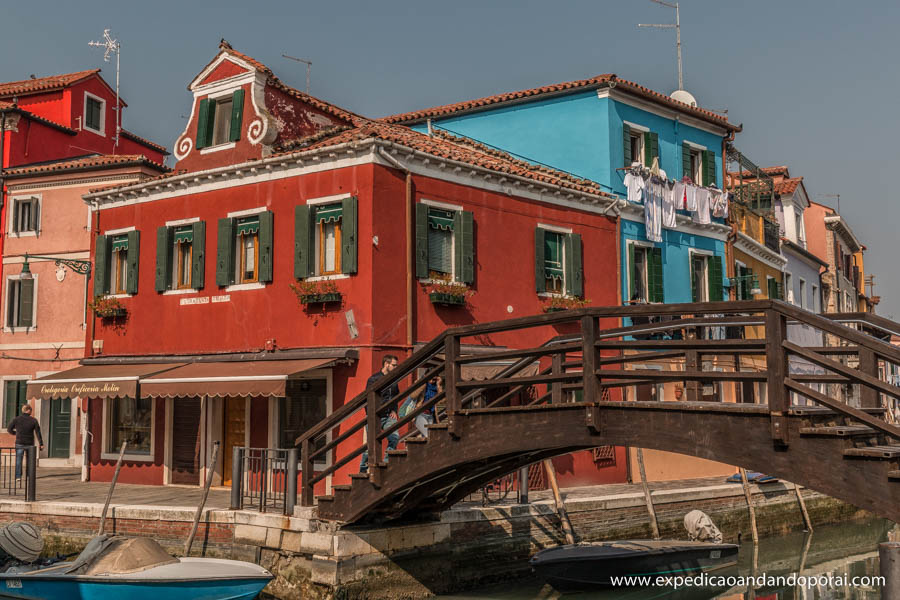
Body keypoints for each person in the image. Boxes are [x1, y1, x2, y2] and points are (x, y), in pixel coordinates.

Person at [359, 355, 400, 473]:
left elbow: (395, 396)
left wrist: (394, 410)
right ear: (386, 364)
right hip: (374, 416)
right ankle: (362, 471)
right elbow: (367, 399)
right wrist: (370, 414)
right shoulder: (374, 379)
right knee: (370, 447)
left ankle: (386, 463)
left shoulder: (394, 379)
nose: (396, 367)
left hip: (389, 416)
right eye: (394, 365)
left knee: (394, 437)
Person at [7, 405, 43, 482]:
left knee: (19, 460)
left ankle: (18, 476)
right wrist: (41, 443)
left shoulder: (16, 419)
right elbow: (38, 432)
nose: (32, 412)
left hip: (19, 442)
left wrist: (15, 433)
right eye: (31, 410)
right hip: (30, 443)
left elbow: (9, 429)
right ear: (28, 410)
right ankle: (29, 475)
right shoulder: (33, 420)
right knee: (30, 460)